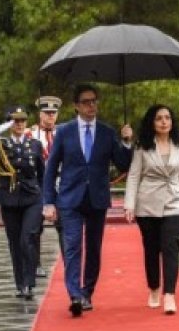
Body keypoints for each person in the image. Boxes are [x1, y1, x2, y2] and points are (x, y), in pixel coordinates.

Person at [43, 83, 133, 317]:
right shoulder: (64, 131)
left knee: (93, 248)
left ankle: (86, 292)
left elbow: (124, 164)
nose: (91, 105)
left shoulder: (107, 132)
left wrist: (126, 142)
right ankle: (74, 295)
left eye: (94, 101)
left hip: (97, 199)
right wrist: (48, 202)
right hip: (70, 198)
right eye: (86, 101)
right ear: (76, 106)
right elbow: (51, 168)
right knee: (72, 246)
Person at [124, 104, 179, 315]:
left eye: (167, 117)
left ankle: (170, 294)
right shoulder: (142, 146)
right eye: (159, 118)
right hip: (148, 202)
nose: (164, 122)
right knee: (152, 249)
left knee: (171, 246)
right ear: (152, 123)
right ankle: (154, 288)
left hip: (175, 201)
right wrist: (129, 204)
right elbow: (134, 175)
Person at [0, 105, 44, 299]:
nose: (20, 124)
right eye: (15, 121)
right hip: (10, 200)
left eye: (23, 120)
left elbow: (42, 174)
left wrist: (45, 200)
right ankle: (20, 284)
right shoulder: (1, 144)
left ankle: (30, 283)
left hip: (32, 199)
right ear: (9, 123)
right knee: (15, 243)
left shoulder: (35, 145)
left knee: (27, 239)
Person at [29, 95, 63, 271]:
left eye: (53, 113)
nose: (50, 116)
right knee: (35, 227)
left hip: (60, 183)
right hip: (37, 184)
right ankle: (36, 263)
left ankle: (67, 260)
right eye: (47, 113)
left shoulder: (63, 133)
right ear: (40, 114)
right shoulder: (30, 134)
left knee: (63, 225)